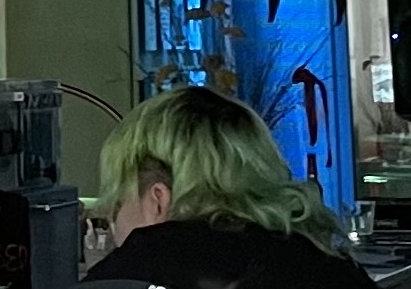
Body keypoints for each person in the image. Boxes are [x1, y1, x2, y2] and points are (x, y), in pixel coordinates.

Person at [86, 85, 374, 289]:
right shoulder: (327, 261)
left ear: (157, 200)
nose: (112, 221)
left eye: (117, 203)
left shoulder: (141, 268)